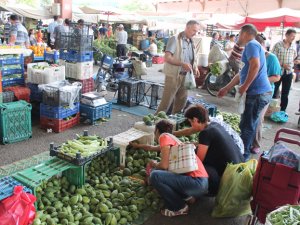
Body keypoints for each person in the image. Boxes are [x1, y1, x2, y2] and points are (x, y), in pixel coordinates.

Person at [218, 24, 272, 161]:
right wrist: (226, 88)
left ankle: (242, 157)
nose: (237, 37)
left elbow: (255, 66)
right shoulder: (252, 46)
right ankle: (243, 153)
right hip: (259, 93)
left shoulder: (251, 45)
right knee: (247, 124)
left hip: (257, 93)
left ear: (244, 33)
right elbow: (242, 72)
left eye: (239, 34)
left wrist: (245, 87)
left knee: (247, 126)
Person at [175, 104, 244, 195]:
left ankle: (212, 190)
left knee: (195, 164)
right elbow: (205, 144)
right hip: (239, 167)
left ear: (195, 120)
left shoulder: (205, 133)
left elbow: (199, 160)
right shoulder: (214, 125)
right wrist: (190, 144)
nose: (191, 125)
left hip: (230, 173)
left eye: (190, 122)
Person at [147, 120, 208, 217]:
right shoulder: (175, 141)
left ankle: (179, 207)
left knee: (155, 175)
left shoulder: (164, 137)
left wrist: (154, 164)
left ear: (157, 131)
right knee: (160, 174)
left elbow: (164, 166)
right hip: (202, 183)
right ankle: (187, 197)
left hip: (196, 183)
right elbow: (170, 170)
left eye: (155, 131)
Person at [155, 20, 200, 115]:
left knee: (181, 102)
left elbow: (191, 57)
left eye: (196, 31)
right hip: (174, 75)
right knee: (166, 103)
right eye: (193, 30)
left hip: (186, 76)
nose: (195, 33)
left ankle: (174, 124)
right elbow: (167, 58)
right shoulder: (175, 39)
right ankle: (156, 124)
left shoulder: (191, 41)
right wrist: (182, 64)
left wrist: (195, 67)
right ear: (187, 28)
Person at [251, 33, 281, 154]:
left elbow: (277, 77)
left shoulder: (272, 58)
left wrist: (261, 79)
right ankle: (247, 141)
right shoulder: (252, 57)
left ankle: (256, 143)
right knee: (248, 117)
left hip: (265, 92)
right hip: (251, 91)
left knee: (258, 118)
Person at [272, 29, 298, 112]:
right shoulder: (277, 45)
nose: (293, 38)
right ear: (286, 35)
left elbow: (295, 57)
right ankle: (269, 108)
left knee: (285, 93)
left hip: (288, 73)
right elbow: (273, 58)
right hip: (278, 72)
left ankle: (283, 110)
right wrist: (283, 65)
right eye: (292, 36)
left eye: (294, 36)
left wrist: (295, 61)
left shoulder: (294, 46)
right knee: (274, 90)